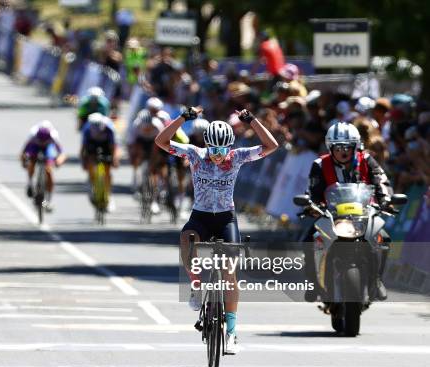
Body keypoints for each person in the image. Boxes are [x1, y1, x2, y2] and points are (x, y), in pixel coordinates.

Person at [155, 107, 279, 354]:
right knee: (186, 238)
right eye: (214, 149)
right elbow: (161, 141)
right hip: (200, 216)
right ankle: (196, 284)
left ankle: (231, 332)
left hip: (225, 218)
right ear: (207, 145)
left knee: (230, 273)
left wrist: (252, 120)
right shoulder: (195, 154)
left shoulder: (238, 156)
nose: (218, 155)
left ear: (230, 146)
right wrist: (183, 118)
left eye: (223, 150)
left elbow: (271, 146)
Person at [303, 122, 393, 302]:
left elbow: (381, 181)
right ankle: (313, 283)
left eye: (347, 147)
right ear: (330, 147)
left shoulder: (367, 160)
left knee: (384, 237)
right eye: (338, 147)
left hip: (364, 214)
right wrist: (311, 205)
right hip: (331, 215)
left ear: (356, 146)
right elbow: (312, 191)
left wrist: (386, 200)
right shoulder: (319, 164)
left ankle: (376, 280)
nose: (342, 152)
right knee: (308, 240)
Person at [21, 121, 66, 212]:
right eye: (41, 139)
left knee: (49, 171)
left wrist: (58, 161)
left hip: (48, 148)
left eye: (44, 140)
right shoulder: (33, 134)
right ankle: (30, 184)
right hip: (35, 146)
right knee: (31, 161)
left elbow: (62, 153)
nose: (42, 142)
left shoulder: (54, 136)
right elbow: (24, 152)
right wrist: (24, 161)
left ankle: (47, 202)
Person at [81, 113, 121, 212]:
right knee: (91, 163)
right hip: (92, 145)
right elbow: (83, 149)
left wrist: (115, 159)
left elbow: (114, 147)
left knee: (107, 170)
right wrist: (84, 161)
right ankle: (91, 183)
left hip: (106, 145)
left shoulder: (109, 128)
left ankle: (109, 195)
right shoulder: (86, 129)